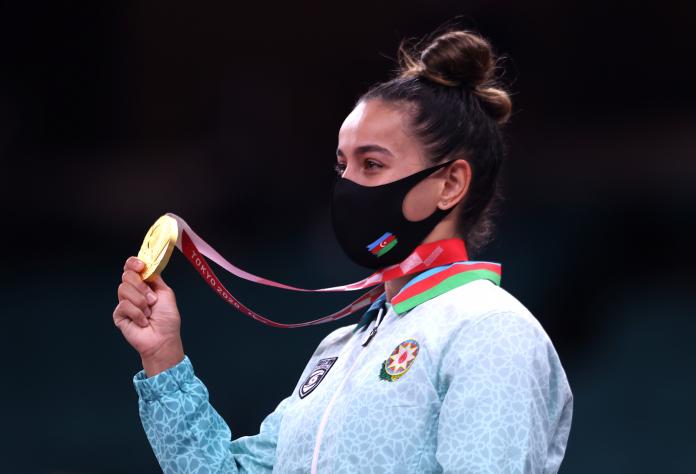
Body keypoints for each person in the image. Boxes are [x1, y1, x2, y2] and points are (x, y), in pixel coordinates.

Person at [113, 28, 573, 473]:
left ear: (450, 183)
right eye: (342, 165)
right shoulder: (338, 350)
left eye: (372, 164)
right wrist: (163, 358)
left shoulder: (488, 330)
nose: (348, 185)